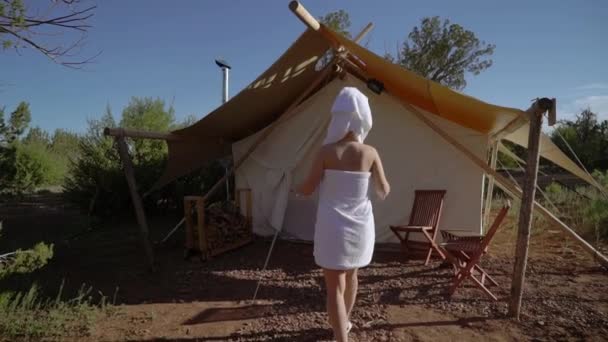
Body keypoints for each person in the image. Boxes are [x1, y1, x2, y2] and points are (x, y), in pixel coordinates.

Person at [294, 87, 390, 342]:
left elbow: (308, 187)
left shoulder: (326, 152)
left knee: (334, 287)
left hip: (332, 227)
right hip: (360, 226)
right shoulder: (370, 152)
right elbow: (384, 189)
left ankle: (341, 337)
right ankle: (343, 325)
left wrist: (296, 191)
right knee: (352, 275)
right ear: (362, 119)